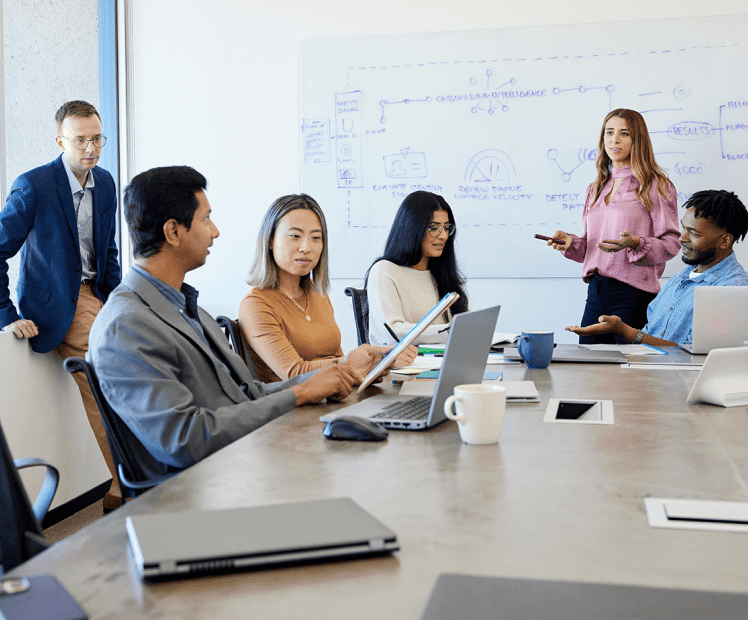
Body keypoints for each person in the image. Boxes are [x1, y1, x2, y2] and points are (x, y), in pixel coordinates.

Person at [87, 166, 366, 482]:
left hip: (241, 460)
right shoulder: (126, 325)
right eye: (205, 219)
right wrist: (300, 393)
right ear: (173, 232)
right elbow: (186, 440)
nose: (215, 231)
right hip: (205, 487)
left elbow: (248, 393)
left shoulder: (189, 309)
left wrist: (320, 380)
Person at [0, 100, 123, 511]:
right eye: (80, 140)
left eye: (97, 138)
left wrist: (119, 302)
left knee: (141, 362)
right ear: (60, 140)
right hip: (59, 302)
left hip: (98, 294)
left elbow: (108, 249)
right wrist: (4, 314)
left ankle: (134, 480)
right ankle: (124, 484)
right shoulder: (35, 185)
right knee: (107, 379)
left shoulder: (107, 183)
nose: (90, 148)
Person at [239, 194, 414, 383]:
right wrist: (351, 362)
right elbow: (295, 373)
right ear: (270, 240)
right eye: (295, 236)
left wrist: (377, 364)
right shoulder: (255, 305)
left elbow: (335, 357)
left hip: (331, 397)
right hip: (293, 408)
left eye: (316, 238)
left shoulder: (317, 293)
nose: (306, 247)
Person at [548, 108, 681, 344]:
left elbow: (671, 244)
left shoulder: (656, 185)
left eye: (624, 133)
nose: (614, 140)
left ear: (637, 139)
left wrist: (637, 243)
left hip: (633, 294)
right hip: (597, 291)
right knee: (590, 370)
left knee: (628, 374)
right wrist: (571, 242)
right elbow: (592, 246)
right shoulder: (596, 187)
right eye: (609, 132)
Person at [566, 189, 748, 347]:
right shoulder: (682, 278)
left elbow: (697, 355)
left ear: (725, 241)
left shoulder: (733, 289)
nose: (682, 238)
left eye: (694, 233)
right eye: (684, 228)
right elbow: (654, 333)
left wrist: (626, 332)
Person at [364, 190, 469, 347]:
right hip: (404, 367)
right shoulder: (384, 270)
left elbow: (466, 324)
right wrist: (450, 331)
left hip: (444, 361)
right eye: (434, 227)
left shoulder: (443, 273)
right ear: (412, 228)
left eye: (446, 227)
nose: (444, 236)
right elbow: (393, 331)